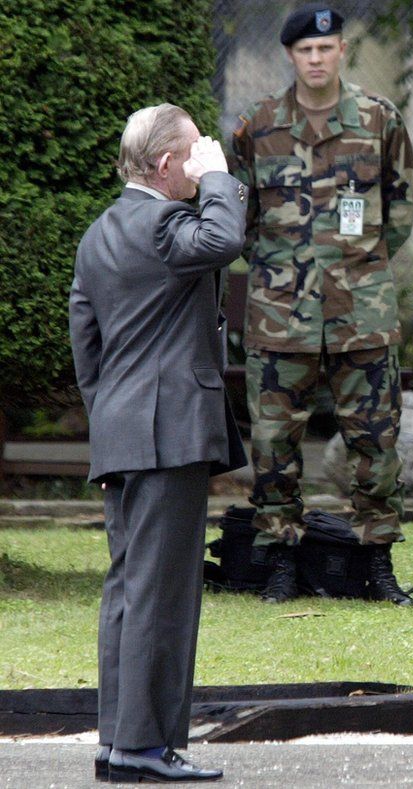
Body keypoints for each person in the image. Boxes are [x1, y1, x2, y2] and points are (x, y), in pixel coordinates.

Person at [69, 103, 248, 782]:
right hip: (170, 431)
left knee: (129, 588)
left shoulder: (100, 232)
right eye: (193, 148)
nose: (202, 154)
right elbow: (226, 238)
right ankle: (144, 746)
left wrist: (110, 418)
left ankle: (121, 739)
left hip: (124, 429)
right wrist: (220, 176)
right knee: (163, 592)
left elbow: (85, 346)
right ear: (168, 163)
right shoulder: (168, 223)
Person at [228, 4, 413, 605]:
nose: (316, 59)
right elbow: (240, 218)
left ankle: (376, 563)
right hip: (279, 316)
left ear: (341, 51)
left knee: (375, 442)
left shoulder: (377, 119)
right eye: (305, 51)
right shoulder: (256, 126)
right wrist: (282, 271)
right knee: (274, 444)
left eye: (326, 48)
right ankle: (280, 560)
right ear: (291, 55)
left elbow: (401, 205)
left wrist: (354, 266)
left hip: (362, 313)